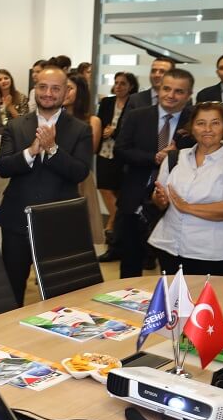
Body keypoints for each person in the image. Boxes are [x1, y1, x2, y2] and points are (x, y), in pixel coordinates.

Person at [0, 66, 93, 305]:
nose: (48, 93)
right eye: (42, 87)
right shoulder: (16, 125)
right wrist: (30, 151)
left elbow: (80, 172)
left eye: (55, 88)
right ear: (35, 89)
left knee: (60, 289)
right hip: (17, 218)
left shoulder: (80, 129)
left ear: (66, 92)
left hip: (59, 220)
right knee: (12, 286)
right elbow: (3, 167)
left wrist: (52, 149)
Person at [148, 102, 223, 276]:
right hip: (169, 246)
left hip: (213, 254)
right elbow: (159, 199)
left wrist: (187, 207)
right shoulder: (174, 158)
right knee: (172, 293)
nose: (207, 129)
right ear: (192, 128)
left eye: (215, 123)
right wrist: (160, 199)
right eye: (201, 123)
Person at [115, 68, 197, 279]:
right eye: (166, 89)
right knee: (130, 260)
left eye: (179, 91)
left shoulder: (195, 122)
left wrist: (175, 156)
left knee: (172, 267)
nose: (171, 95)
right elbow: (120, 150)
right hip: (136, 196)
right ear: (159, 89)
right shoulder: (137, 116)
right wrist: (155, 157)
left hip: (175, 202)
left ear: (189, 95)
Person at [95, 71, 139, 261]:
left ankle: (113, 228)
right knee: (104, 188)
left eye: (123, 83)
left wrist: (115, 131)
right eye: (116, 82)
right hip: (104, 151)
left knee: (119, 192)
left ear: (131, 86)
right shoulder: (107, 102)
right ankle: (115, 223)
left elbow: (132, 128)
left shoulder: (134, 103)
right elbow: (99, 121)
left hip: (122, 154)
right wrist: (105, 130)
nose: (118, 86)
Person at [65, 75, 104, 245]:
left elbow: (90, 151)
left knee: (80, 230)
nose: (64, 92)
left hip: (80, 177)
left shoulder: (92, 121)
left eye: (69, 88)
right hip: (56, 176)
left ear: (80, 92)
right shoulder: (52, 117)